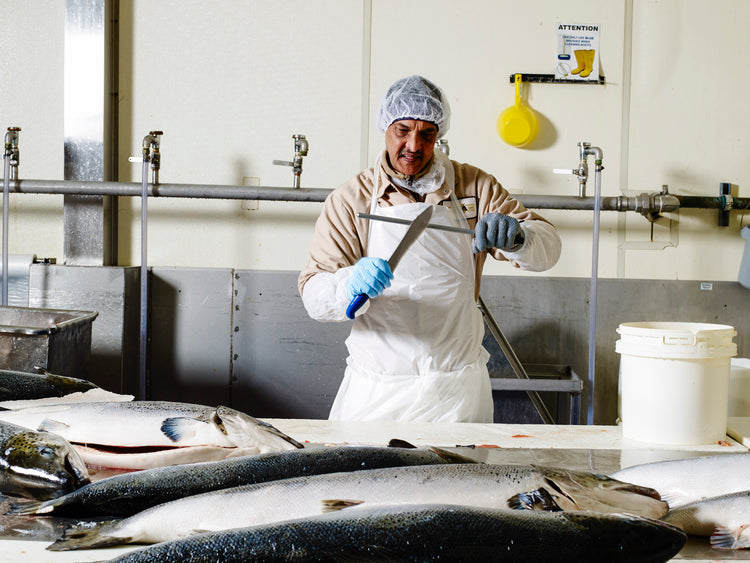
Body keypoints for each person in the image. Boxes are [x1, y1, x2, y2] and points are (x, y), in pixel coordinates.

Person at [298, 75, 561, 423]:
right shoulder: (351, 199)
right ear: (385, 128)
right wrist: (349, 283)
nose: (413, 145)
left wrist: (519, 239)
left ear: (440, 135)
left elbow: (549, 249)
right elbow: (314, 293)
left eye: (426, 134)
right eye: (402, 130)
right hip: (377, 393)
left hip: (458, 394)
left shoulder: (473, 186)